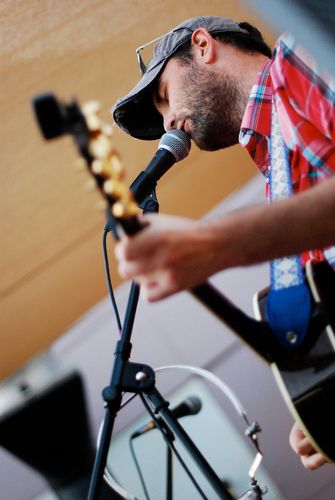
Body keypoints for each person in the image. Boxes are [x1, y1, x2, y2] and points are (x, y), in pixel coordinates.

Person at [112, 16, 335, 470]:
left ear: (202, 45)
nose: (168, 120)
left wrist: (216, 243)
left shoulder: (302, 57)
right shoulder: (277, 177)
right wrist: (323, 403)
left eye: (163, 96)